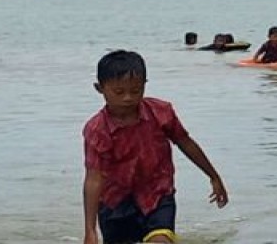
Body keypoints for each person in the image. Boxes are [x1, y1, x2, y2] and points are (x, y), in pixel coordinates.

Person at [82, 50, 228, 244]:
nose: (128, 98)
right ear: (100, 88)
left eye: (135, 91)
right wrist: (90, 230)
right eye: (119, 92)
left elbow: (185, 142)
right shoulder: (97, 130)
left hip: (158, 195)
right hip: (114, 203)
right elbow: (94, 179)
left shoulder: (161, 113)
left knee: (160, 241)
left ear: (145, 85)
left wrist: (213, 176)